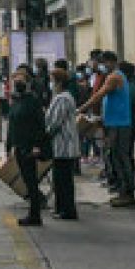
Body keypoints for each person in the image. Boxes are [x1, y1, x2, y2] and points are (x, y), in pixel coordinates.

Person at [81, 50, 135, 207]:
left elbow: (98, 95)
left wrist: (81, 109)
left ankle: (127, 192)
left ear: (111, 62)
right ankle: (123, 190)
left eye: (104, 63)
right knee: (116, 156)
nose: (102, 66)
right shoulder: (114, 76)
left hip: (119, 124)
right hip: (114, 122)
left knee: (120, 157)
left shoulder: (114, 77)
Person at [5, 71, 49, 226]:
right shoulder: (16, 101)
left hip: (30, 146)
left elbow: (40, 126)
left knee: (31, 181)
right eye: (15, 81)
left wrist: (37, 145)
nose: (17, 84)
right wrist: (8, 147)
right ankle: (33, 212)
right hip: (19, 146)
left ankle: (35, 214)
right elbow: (12, 125)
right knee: (26, 180)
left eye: (20, 81)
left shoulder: (33, 102)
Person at [46, 67, 79, 220]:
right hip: (60, 146)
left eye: (52, 80)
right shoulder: (60, 97)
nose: (50, 83)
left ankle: (67, 210)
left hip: (64, 146)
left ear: (58, 82)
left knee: (64, 180)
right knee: (59, 179)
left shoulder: (63, 98)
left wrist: (45, 135)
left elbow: (56, 122)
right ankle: (61, 208)